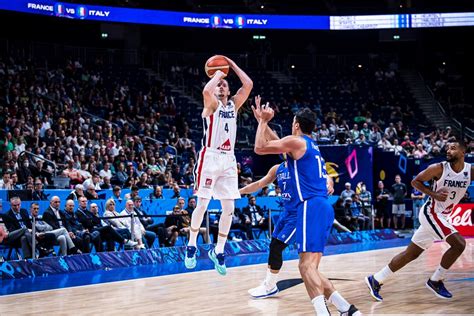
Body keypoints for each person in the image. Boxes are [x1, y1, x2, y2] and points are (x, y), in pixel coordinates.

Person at [252, 103, 360, 315]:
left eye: (292, 122)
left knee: (305, 268)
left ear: (297, 125)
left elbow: (259, 148)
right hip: (322, 207)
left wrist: (263, 121)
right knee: (310, 267)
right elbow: (277, 141)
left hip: (309, 205)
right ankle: (347, 309)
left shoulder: (297, 142)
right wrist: (261, 123)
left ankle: (323, 313)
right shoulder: (310, 145)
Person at [366, 140, 472, 301]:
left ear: (463, 153)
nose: (448, 150)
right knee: (459, 244)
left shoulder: (470, 171)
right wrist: (434, 194)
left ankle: (376, 279)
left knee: (411, 253)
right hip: (431, 213)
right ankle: (436, 280)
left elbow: (457, 188)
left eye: (453, 148)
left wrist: (461, 194)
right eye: (448, 148)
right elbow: (415, 182)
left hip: (443, 215)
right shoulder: (439, 168)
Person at [185, 55, 253, 275]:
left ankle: (219, 250)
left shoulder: (233, 105)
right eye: (219, 84)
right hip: (210, 157)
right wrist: (217, 74)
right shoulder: (211, 103)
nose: (222, 85)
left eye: (225, 83)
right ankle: (192, 245)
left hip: (228, 159)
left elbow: (248, 84)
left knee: (229, 208)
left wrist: (231, 65)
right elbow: (206, 91)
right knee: (202, 204)